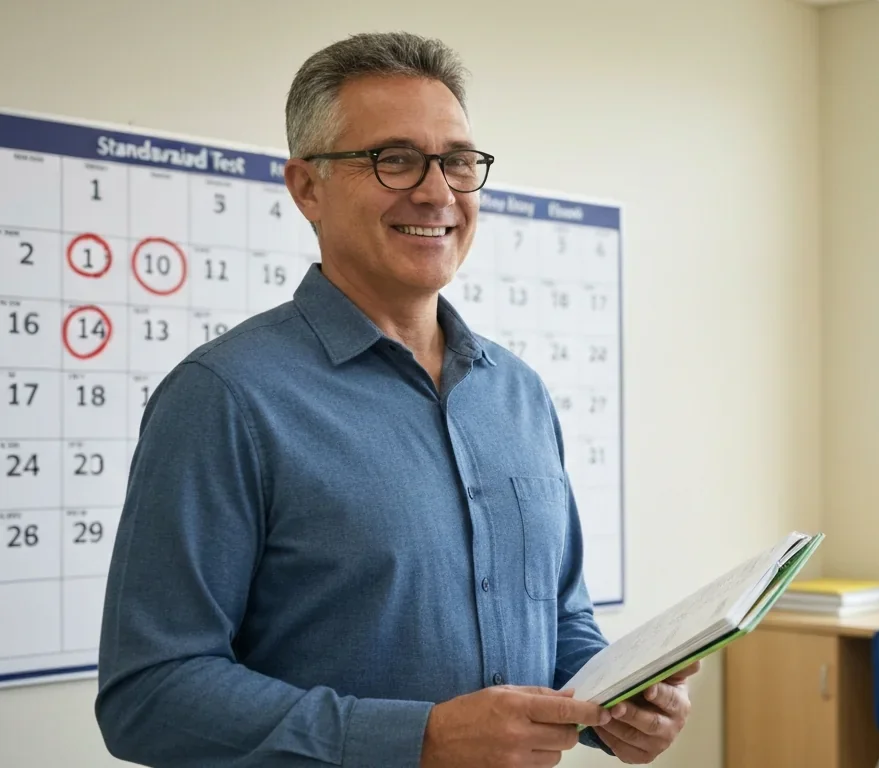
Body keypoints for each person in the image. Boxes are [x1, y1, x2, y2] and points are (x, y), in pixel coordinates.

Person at [95, 31, 696, 767]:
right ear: (307, 187)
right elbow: (148, 696)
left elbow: (562, 617)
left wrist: (614, 703)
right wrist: (421, 739)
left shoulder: (519, 393)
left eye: (458, 162)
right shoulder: (224, 399)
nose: (438, 191)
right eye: (395, 159)